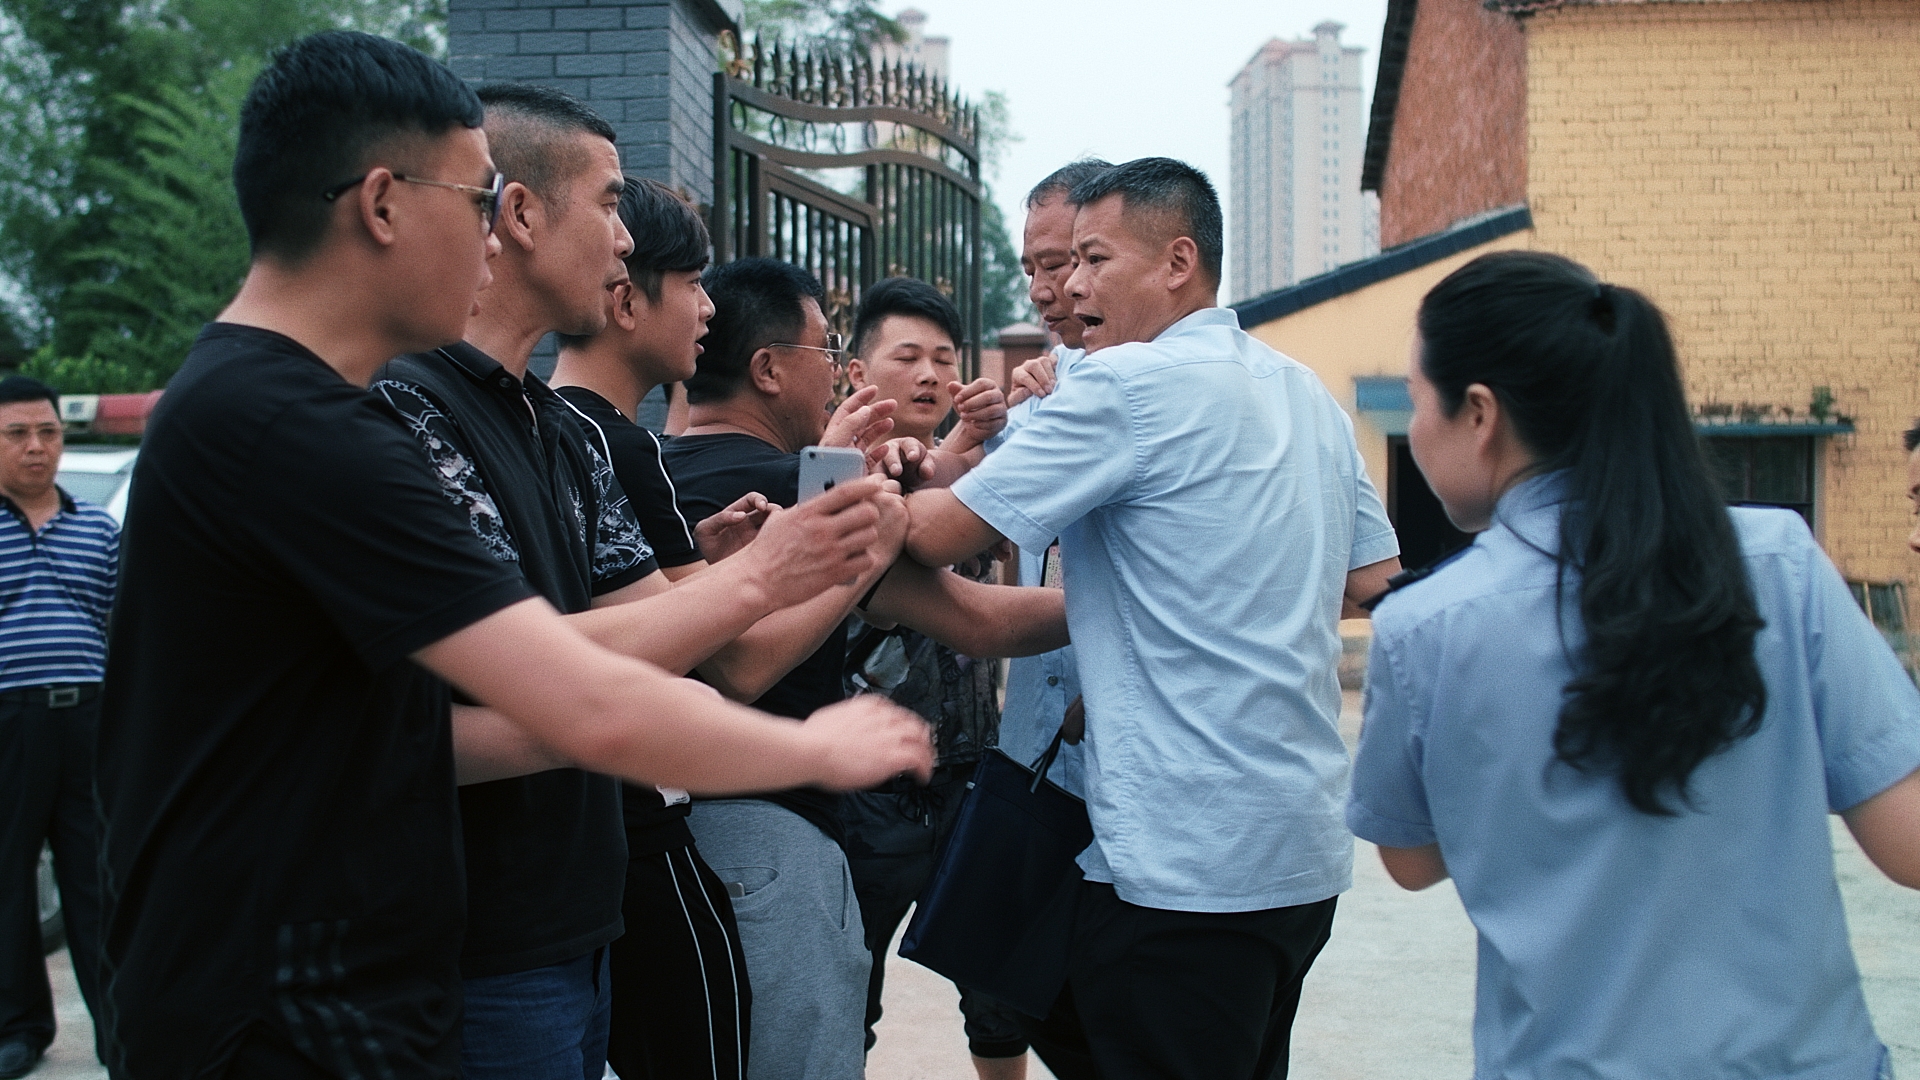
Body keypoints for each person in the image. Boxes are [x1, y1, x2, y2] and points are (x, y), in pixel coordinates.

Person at [93, 32, 931, 1080]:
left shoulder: (275, 407)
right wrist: (811, 738)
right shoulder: (294, 428)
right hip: (277, 1011)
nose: (491, 239)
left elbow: (479, 704)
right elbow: (580, 698)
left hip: (342, 985)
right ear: (383, 204)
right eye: (476, 200)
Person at [370, 86, 904, 1080]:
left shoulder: (566, 433)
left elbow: (659, 642)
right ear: (519, 215)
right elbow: (534, 673)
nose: (624, 245)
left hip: (581, 915)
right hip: (480, 935)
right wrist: (799, 563)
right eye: (611, 204)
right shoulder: (403, 411)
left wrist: (750, 578)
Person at [1348, 250, 1920, 1078]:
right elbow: (1907, 841)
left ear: (1479, 413)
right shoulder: (1780, 562)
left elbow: (1409, 860)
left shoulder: (1424, 628)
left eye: (1416, 401)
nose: (1418, 430)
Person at [904, 157, 1401, 1080]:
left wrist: (833, 509)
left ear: (1178, 262)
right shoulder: (1305, 395)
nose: (1071, 287)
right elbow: (1372, 579)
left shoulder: (1123, 386)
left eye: (1093, 259)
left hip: (1182, 864)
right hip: (1296, 853)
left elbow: (937, 534)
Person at [663, 257, 1068, 1080]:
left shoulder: (639, 470)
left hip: (670, 832)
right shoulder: (816, 491)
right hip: (794, 818)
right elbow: (977, 618)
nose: (929, 374)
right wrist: (1137, 604)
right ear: (771, 368)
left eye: (943, 358)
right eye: (828, 349)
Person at [835, 276, 1030, 1079]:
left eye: (944, 359)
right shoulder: (838, 470)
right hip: (867, 786)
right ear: (857, 372)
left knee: (998, 996)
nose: (928, 374)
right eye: (907, 356)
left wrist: (986, 438)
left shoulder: (982, 475)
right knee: (847, 995)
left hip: (974, 775)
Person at [0, 377, 116, 1080]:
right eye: (17, 434)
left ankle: (118, 1030)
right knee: (8, 879)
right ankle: (19, 1028)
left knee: (98, 880)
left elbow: (120, 629)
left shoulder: (98, 529)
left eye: (48, 431)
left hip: (90, 721)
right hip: (8, 722)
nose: (37, 447)